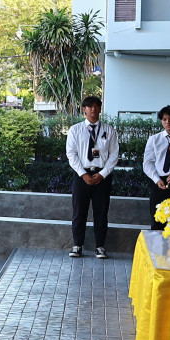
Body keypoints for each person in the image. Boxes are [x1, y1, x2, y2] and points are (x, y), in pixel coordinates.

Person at [67, 95, 119, 259]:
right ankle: (77, 245)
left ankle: (100, 247)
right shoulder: (75, 129)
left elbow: (114, 155)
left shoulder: (109, 130)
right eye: (89, 107)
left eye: (96, 106)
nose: (93, 109)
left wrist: (102, 174)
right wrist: (83, 174)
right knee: (79, 212)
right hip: (81, 176)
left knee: (101, 213)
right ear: (84, 109)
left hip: (102, 177)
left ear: (100, 109)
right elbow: (71, 154)